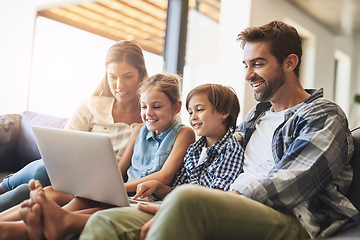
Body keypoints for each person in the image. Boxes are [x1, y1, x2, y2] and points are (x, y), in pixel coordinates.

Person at [80, 20, 359, 240]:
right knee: (109, 221)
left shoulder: (323, 114)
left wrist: (215, 199)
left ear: (289, 63)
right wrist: (168, 191)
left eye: (258, 64)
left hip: (291, 221)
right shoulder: (256, 117)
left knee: (188, 200)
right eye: (246, 65)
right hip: (228, 207)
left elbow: (295, 182)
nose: (248, 75)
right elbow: (220, 156)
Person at [20, 83, 244, 240]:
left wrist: (166, 195)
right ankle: (35, 222)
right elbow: (180, 187)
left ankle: (61, 221)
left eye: (200, 110)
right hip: (163, 199)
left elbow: (215, 199)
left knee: (106, 208)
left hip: (189, 210)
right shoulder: (196, 148)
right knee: (80, 197)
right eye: (190, 111)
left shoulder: (231, 148)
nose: (193, 116)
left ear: (224, 112)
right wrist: (163, 188)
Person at [0, 73, 195, 240]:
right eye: (144, 107)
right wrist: (99, 186)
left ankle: (26, 228)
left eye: (156, 107)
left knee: (90, 203)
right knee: (51, 191)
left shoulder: (184, 133)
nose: (148, 113)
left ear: (176, 107)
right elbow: (118, 171)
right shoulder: (138, 131)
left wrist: (115, 189)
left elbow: (164, 176)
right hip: (120, 193)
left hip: (146, 199)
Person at [0, 40, 148, 212]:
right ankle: (4, 186)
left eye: (128, 76)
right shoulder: (91, 106)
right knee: (43, 170)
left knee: (28, 189)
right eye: (112, 77)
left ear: (141, 74)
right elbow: (62, 148)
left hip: (109, 185)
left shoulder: (153, 116)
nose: (119, 85)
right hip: (75, 174)